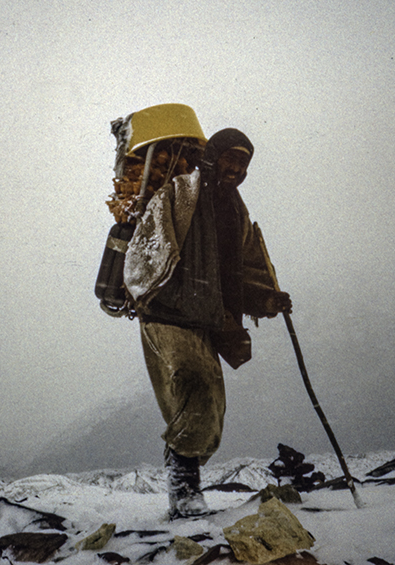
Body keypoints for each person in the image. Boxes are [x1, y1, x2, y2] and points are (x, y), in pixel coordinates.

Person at [123, 128, 293, 519]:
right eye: (230, 159)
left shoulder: (236, 211)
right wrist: (159, 290)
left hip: (208, 320)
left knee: (212, 410)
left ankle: (185, 479)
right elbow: (149, 248)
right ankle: (183, 493)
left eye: (244, 164)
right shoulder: (179, 194)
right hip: (167, 314)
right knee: (196, 387)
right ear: (212, 156)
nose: (236, 169)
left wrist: (266, 298)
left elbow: (242, 269)